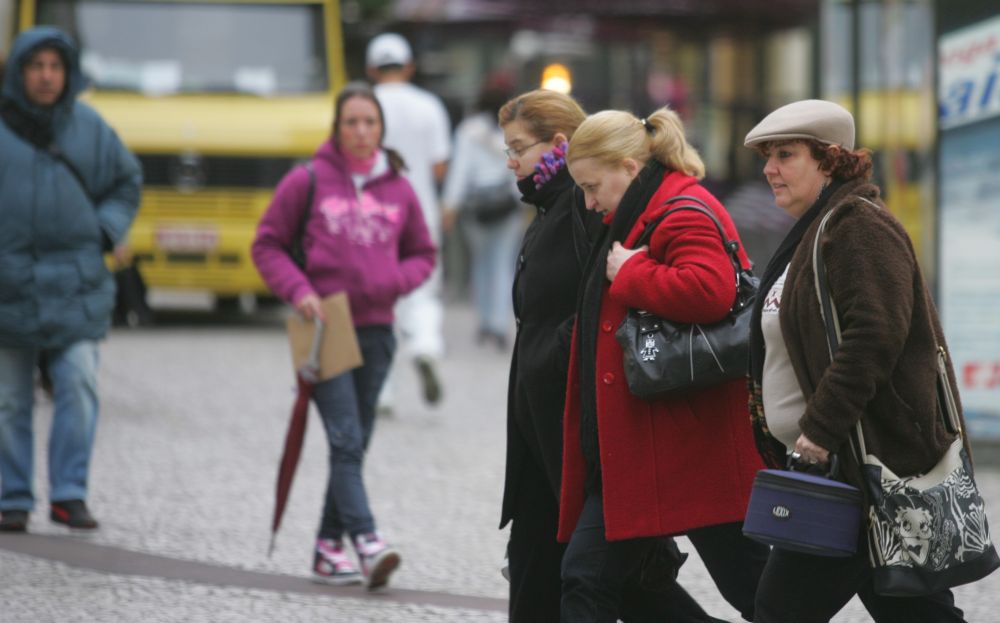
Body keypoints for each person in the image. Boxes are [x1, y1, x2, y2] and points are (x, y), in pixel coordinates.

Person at [499, 90, 727, 623]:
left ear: (558, 145)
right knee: (555, 569)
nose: (510, 161)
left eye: (517, 148)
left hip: (576, 424)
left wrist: (563, 355)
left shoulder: (589, 208)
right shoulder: (561, 204)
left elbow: (615, 302)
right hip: (542, 424)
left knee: (605, 576)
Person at [744, 99, 971, 622]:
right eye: (766, 156)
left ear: (830, 160)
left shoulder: (857, 226)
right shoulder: (815, 229)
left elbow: (875, 335)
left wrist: (819, 431)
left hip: (861, 465)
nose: (768, 169)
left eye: (785, 154)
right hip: (847, 466)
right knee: (914, 611)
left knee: (779, 608)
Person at [559, 107, 770, 623]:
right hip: (658, 442)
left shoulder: (681, 210)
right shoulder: (645, 207)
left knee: (761, 594)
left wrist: (633, 272)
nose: (589, 202)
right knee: (588, 577)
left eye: (592, 186)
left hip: (684, 444)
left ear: (629, 168)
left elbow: (710, 290)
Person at [251, 82, 436, 590]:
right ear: (336, 128)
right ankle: (367, 540)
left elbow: (424, 253)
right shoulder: (307, 180)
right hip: (325, 326)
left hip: (378, 330)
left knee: (354, 444)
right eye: (351, 122)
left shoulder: (398, 186)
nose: (360, 131)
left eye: (369, 122)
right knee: (346, 438)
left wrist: (391, 283)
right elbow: (266, 245)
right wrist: (299, 290)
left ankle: (327, 547)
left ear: (381, 129)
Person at [0, 27, 142, 533]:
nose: (45, 76)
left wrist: (106, 229)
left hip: (75, 285)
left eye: (54, 66)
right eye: (35, 66)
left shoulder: (89, 127)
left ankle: (69, 493)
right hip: (8, 287)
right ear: (19, 72)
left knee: (78, 383)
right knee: (10, 399)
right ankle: (11, 496)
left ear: (68, 73)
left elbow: (127, 181)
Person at [367, 32, 451, 408]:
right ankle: (425, 346)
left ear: (372, 69)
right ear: (409, 67)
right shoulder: (430, 106)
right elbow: (438, 167)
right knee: (423, 290)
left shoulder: (363, 107)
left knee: (378, 300)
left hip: (374, 216)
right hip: (421, 215)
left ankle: (382, 390)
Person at [441, 76, 522, 350]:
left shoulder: (468, 130)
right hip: (506, 206)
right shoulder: (513, 131)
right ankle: (499, 324)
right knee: (503, 264)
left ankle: (485, 321)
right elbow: (516, 169)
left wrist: (450, 205)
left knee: (480, 262)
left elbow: (460, 171)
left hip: (475, 207)